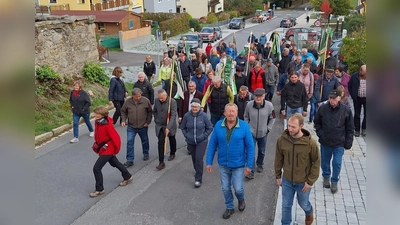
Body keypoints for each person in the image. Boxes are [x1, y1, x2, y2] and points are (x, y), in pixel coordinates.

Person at [205, 103, 255, 219]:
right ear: (224, 113)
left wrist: (249, 166)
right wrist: (209, 162)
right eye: (229, 111)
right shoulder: (218, 125)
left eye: (233, 111)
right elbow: (212, 144)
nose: (231, 113)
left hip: (238, 164)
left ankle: (241, 199)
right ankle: (230, 207)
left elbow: (250, 147)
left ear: (237, 113)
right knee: (225, 188)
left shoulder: (244, 126)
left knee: (238, 188)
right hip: (223, 164)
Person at [275, 113, 320, 225]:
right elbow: (278, 159)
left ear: (301, 126)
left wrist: (310, 181)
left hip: (303, 182)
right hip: (287, 181)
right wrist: (278, 176)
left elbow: (316, 162)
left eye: (293, 126)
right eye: (289, 126)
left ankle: (309, 211)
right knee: (286, 205)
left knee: (303, 203)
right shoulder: (282, 140)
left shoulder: (310, 143)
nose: (290, 129)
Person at [314, 89, 354, 194]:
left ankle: (334, 180)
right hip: (325, 141)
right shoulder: (322, 108)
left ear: (339, 98)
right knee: (325, 162)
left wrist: (349, 141)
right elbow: (317, 122)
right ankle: (326, 176)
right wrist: (320, 133)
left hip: (339, 142)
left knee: (337, 163)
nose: (332, 101)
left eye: (334, 98)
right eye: (330, 98)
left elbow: (350, 128)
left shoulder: (346, 110)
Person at [90, 106, 133, 197]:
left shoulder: (107, 125)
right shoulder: (98, 122)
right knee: (116, 163)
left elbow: (116, 138)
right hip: (104, 149)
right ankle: (128, 176)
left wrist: (115, 150)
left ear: (102, 115)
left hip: (108, 150)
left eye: (97, 114)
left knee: (96, 168)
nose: (95, 115)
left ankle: (99, 189)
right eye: (95, 113)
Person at [180, 98, 213, 187]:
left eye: (196, 107)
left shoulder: (204, 116)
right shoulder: (187, 116)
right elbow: (182, 127)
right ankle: (198, 170)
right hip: (191, 141)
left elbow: (209, 127)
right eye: (193, 107)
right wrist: (187, 135)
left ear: (199, 107)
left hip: (201, 141)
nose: (194, 108)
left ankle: (198, 179)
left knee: (199, 159)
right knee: (194, 159)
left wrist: (204, 136)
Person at [244, 88, 276, 179]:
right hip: (251, 133)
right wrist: (247, 128)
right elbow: (246, 116)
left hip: (263, 133)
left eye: (260, 96)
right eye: (256, 96)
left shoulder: (269, 106)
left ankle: (260, 164)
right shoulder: (249, 105)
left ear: (264, 96)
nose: (258, 98)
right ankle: (251, 171)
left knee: (262, 151)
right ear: (254, 96)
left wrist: (268, 128)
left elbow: (273, 118)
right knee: (251, 152)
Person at [120, 88, 153, 167]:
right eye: (136, 96)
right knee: (129, 142)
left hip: (143, 126)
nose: (138, 98)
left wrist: (148, 122)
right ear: (132, 96)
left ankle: (146, 153)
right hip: (131, 126)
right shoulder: (128, 102)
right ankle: (130, 160)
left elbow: (150, 112)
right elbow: (123, 111)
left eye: (139, 96)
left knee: (144, 141)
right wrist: (123, 120)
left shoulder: (145, 101)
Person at [153, 89, 178, 170]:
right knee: (160, 142)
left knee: (172, 139)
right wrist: (156, 120)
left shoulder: (172, 102)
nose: (160, 100)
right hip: (160, 125)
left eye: (162, 98)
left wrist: (168, 127)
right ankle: (161, 162)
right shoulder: (156, 101)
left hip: (169, 125)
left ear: (166, 96)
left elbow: (173, 115)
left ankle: (172, 153)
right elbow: (155, 111)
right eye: (159, 98)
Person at [348, 64, 366, 137]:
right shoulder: (354, 76)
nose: (365, 75)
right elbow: (350, 86)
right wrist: (353, 95)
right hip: (357, 98)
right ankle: (357, 129)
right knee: (357, 114)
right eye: (364, 73)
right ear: (360, 71)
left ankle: (364, 128)